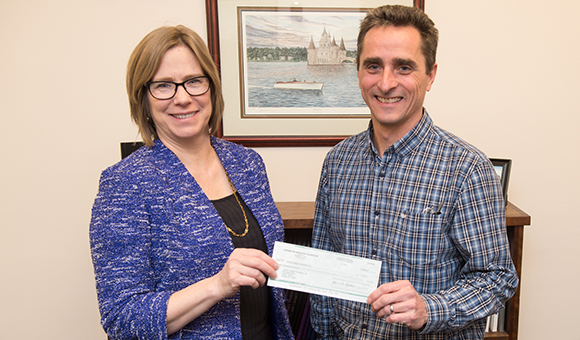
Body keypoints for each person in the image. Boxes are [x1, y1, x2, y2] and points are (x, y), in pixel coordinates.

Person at [309, 5, 518, 339]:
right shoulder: (337, 163)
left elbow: (497, 278)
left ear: (430, 75)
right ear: (359, 72)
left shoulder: (467, 169)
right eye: (373, 66)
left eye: (403, 67)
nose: (386, 82)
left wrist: (428, 309)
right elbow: (323, 267)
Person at [89, 25, 294, 340]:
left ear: (211, 86)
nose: (183, 98)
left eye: (194, 81)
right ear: (142, 97)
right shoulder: (125, 183)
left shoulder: (248, 164)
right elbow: (121, 320)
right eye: (163, 85)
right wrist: (217, 285)